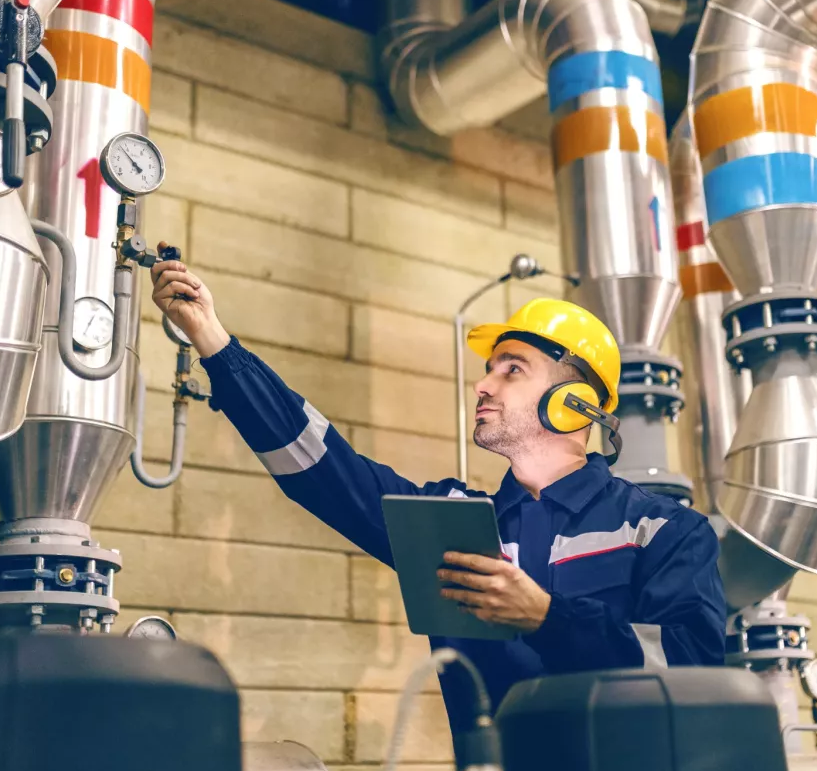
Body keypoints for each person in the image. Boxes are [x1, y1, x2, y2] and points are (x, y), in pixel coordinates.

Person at [148, 246, 726, 744]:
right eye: (489, 368)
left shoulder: (663, 529)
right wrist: (215, 342)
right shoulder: (451, 524)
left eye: (512, 369)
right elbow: (319, 465)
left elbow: (694, 675)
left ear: (574, 403)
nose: (483, 383)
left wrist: (548, 619)